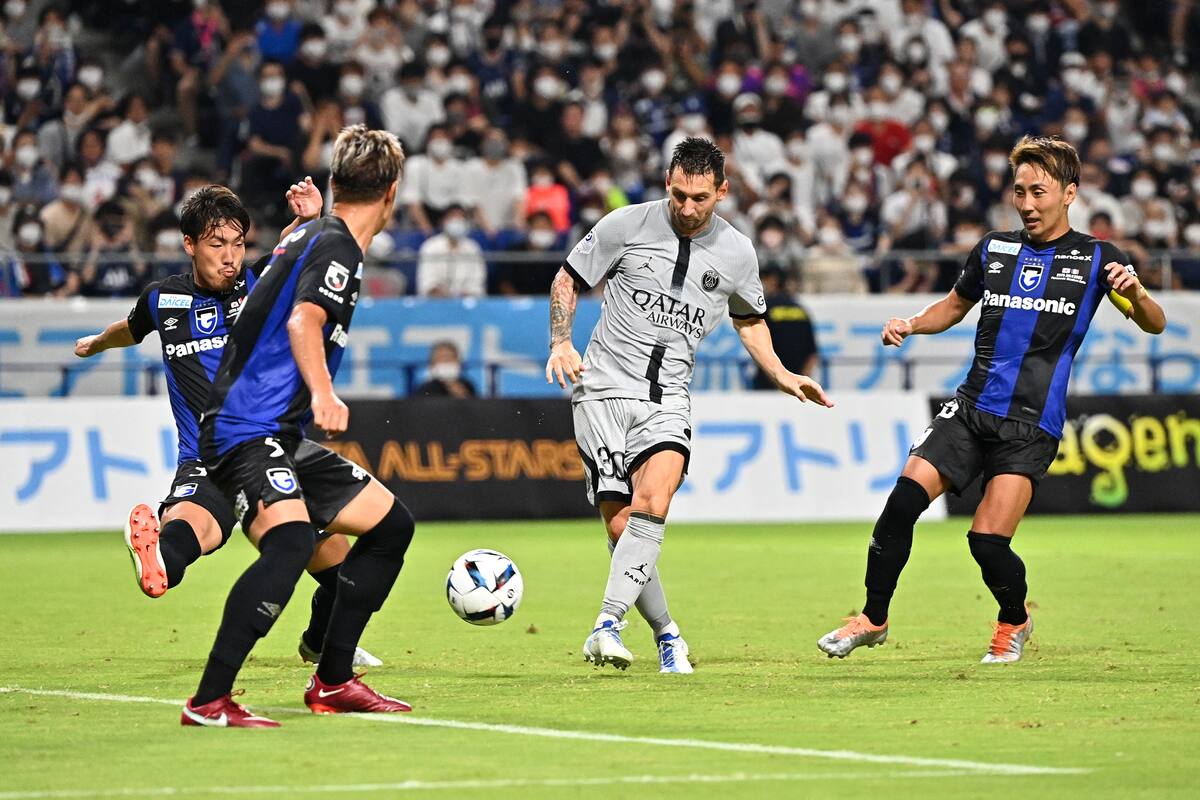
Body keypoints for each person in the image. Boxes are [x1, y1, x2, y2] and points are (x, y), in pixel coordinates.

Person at [817, 136, 1166, 664]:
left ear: (1069, 193)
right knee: (900, 505)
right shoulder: (994, 248)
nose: (1026, 204)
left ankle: (1014, 621)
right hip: (970, 407)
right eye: (1019, 191)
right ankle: (873, 617)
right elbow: (954, 307)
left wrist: (1136, 293)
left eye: (1039, 192)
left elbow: (1154, 324)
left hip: (1031, 425)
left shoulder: (1098, 259)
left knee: (986, 543)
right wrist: (911, 324)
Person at [546, 138, 833, 674]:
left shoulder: (738, 253)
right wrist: (561, 341)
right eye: (678, 194)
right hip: (603, 389)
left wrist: (782, 374)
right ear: (667, 184)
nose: (686, 208)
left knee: (655, 499)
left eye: (700, 198)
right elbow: (568, 277)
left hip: (669, 398)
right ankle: (667, 633)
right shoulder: (624, 225)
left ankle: (606, 625)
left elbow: (750, 321)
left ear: (722, 191)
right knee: (620, 527)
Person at [73, 179, 381, 671]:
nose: (230, 256)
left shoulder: (259, 285)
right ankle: (157, 557)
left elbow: (291, 251)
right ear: (190, 245)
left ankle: (320, 641)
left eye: (238, 244)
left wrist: (308, 219)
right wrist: (96, 343)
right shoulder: (162, 301)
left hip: (272, 449)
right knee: (189, 537)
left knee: (344, 572)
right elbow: (129, 331)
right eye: (217, 244)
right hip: (209, 457)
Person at [190, 125, 412, 727]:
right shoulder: (335, 245)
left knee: (391, 526)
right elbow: (302, 323)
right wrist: (324, 392)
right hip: (245, 425)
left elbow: (287, 279)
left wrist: (313, 222)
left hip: (274, 432)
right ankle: (210, 700)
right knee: (291, 543)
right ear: (393, 193)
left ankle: (335, 681)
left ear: (337, 185)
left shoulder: (322, 234)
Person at [751, 267, 819, 389]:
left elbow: (757, 347)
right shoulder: (800, 310)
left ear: (773, 281)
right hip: (796, 385)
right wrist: (800, 383)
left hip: (767, 384)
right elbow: (812, 354)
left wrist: (778, 382)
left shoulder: (763, 309)